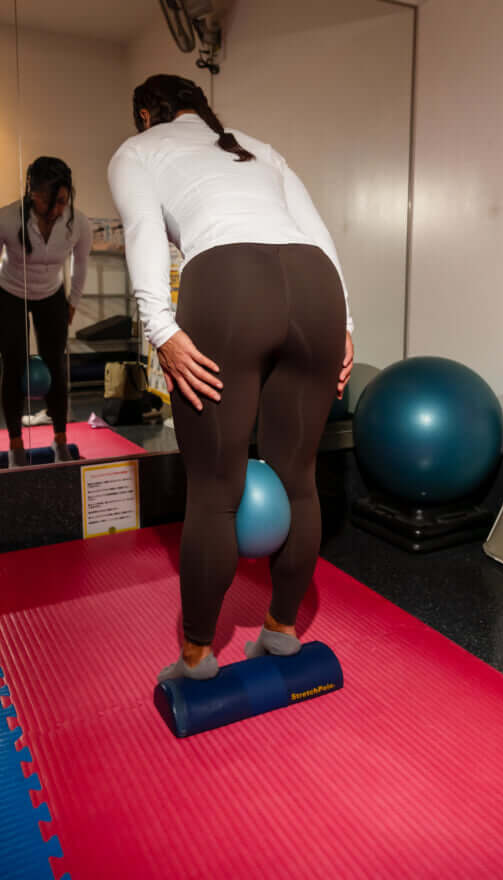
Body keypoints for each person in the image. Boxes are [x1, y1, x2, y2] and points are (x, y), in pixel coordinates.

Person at [108, 75, 354, 681]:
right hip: (316, 288)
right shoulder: (257, 146)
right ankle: (282, 630)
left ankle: (197, 654)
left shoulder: (138, 149)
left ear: (147, 114)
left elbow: (143, 232)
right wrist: (345, 322)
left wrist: (161, 330)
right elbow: (317, 231)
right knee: (299, 478)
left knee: (215, 490)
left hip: (229, 282)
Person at [0, 156, 91, 467]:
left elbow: (80, 264)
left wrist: (73, 302)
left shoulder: (78, 223)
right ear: (33, 193)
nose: (56, 210)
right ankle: (16, 444)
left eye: (63, 201)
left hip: (51, 294)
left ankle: (60, 439)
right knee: (14, 365)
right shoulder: (4, 219)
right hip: (9, 292)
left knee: (56, 365)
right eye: (49, 202)